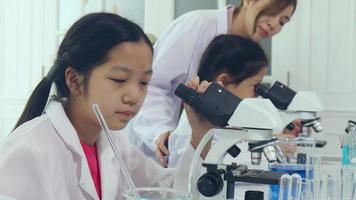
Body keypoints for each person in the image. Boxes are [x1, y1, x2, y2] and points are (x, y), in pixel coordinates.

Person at [0, 13, 214, 200]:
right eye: (119, 79)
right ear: (74, 80)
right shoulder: (29, 150)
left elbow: (171, 193)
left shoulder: (116, 146)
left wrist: (199, 134)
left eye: (144, 82)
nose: (134, 96)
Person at [125, 0, 298, 166]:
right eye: (271, 11)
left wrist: (275, 132)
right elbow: (153, 84)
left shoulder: (243, 50)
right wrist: (161, 133)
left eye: (282, 22)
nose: (274, 24)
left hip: (187, 148)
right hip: (156, 147)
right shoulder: (196, 25)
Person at [168, 34, 300, 167]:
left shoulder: (226, 114)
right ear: (224, 82)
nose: (258, 94)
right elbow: (199, 161)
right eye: (256, 85)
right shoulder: (194, 121)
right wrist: (275, 146)